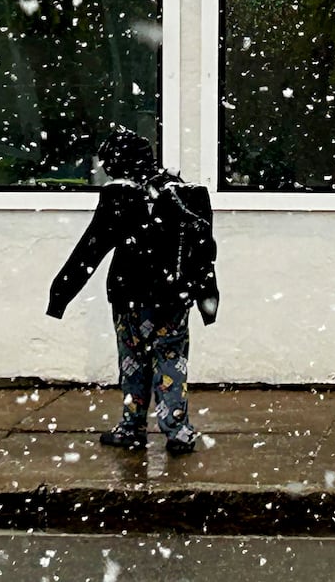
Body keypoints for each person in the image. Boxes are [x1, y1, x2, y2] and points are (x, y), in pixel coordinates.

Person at [46, 128, 217, 455]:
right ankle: (178, 430)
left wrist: (60, 294)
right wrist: (208, 299)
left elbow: (90, 250)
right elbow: (204, 250)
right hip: (174, 298)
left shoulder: (120, 196)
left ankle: (132, 427)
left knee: (134, 361)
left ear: (114, 161)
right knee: (172, 359)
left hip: (130, 297)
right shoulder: (184, 193)